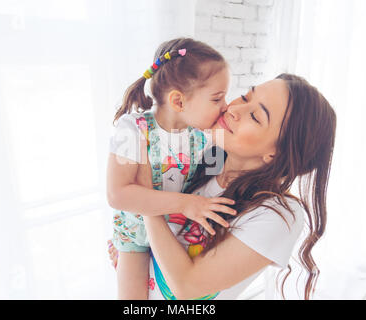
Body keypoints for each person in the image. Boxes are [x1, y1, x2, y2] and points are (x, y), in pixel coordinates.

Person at [108, 73, 337, 300]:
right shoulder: (205, 160)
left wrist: (146, 197)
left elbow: (188, 287)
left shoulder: (280, 214)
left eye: (256, 117)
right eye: (246, 97)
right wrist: (132, 250)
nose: (234, 109)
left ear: (276, 152)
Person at [107, 38, 239, 300]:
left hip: (177, 239)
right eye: (217, 98)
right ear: (178, 101)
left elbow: (212, 184)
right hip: (135, 238)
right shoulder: (132, 130)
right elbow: (118, 195)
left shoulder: (207, 136)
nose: (225, 106)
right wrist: (184, 204)